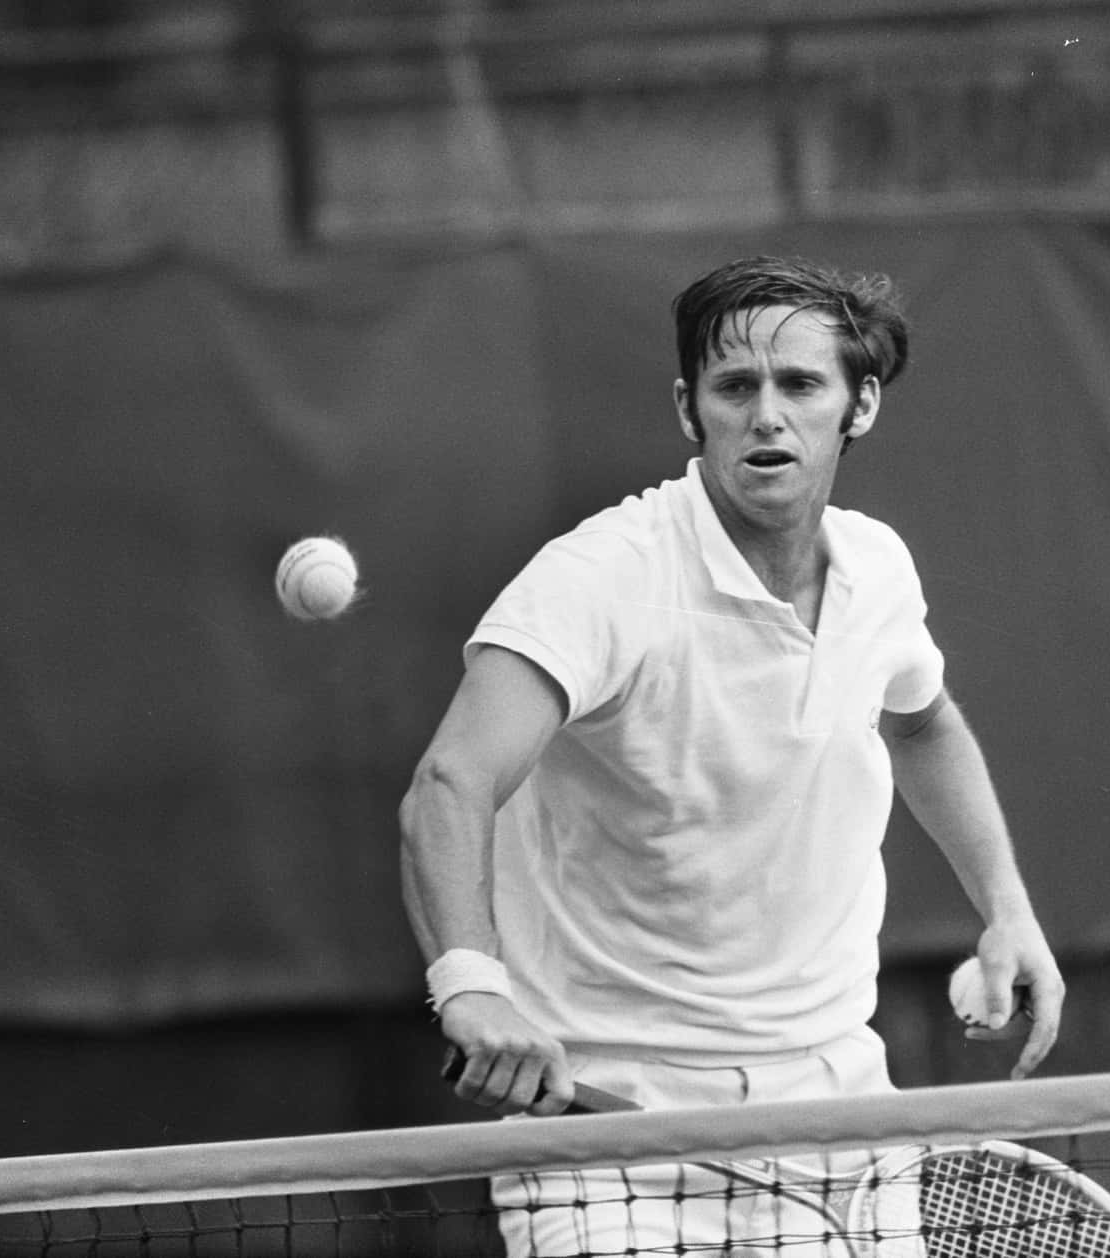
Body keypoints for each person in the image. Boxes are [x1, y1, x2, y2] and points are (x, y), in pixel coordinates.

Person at [398, 256, 1065, 1256]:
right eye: (734, 386)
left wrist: (1007, 911)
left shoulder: (877, 569)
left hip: (835, 1112)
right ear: (688, 408)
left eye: (800, 385)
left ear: (861, 404)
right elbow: (450, 785)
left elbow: (923, 721)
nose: (766, 415)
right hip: (611, 1136)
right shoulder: (598, 579)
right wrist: (471, 984)